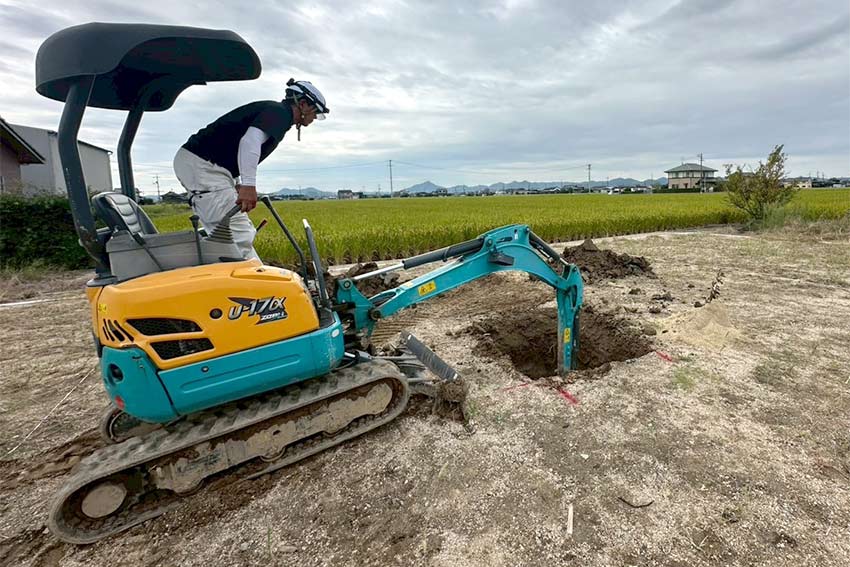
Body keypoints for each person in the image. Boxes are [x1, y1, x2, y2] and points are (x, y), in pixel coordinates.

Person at [173, 79, 328, 260]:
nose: (314, 118)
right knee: (238, 234)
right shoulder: (279, 113)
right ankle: (251, 277)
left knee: (225, 232)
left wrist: (236, 183)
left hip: (204, 165)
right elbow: (249, 142)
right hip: (203, 166)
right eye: (315, 112)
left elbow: (231, 146)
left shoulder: (274, 111)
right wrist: (248, 185)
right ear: (302, 104)